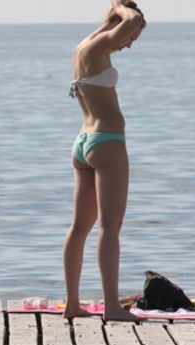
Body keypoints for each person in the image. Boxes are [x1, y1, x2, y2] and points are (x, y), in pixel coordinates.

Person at [62, 0, 146, 321]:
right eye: (131, 38)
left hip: (82, 143)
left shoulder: (83, 48)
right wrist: (124, 8)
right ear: (119, 26)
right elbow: (133, 17)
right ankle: (112, 307)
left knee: (79, 227)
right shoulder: (99, 46)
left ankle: (73, 304)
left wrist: (116, 13)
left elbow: (119, 26)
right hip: (107, 143)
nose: (128, 44)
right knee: (110, 227)